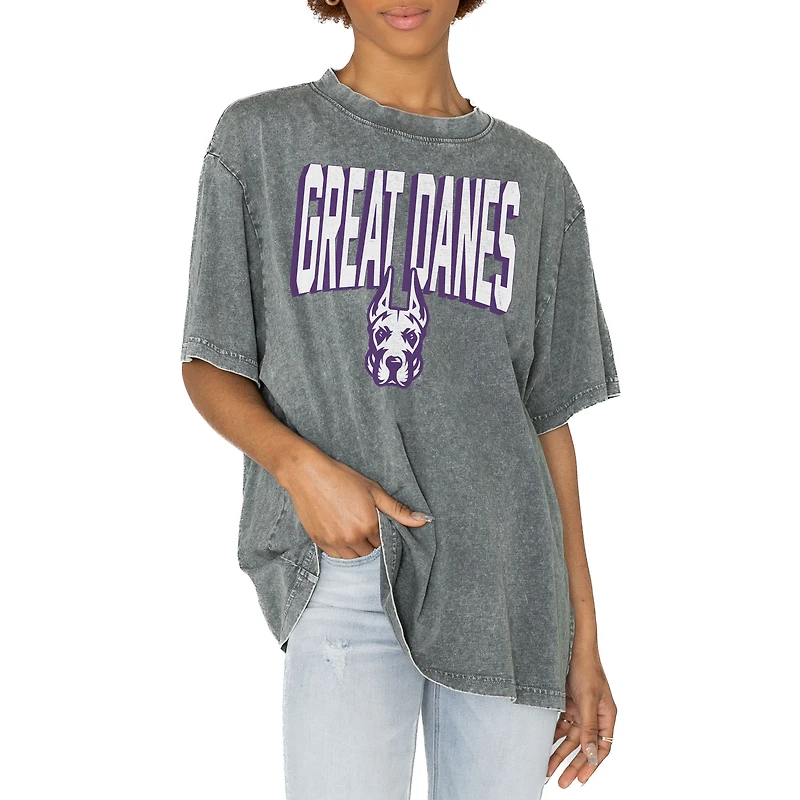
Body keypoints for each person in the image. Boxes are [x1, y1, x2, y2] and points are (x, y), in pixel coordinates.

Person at [180, 1, 621, 796]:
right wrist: (301, 470)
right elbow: (211, 361)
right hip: (347, 566)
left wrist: (583, 640)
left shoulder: (534, 177)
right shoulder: (261, 140)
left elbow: (545, 420)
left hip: (509, 592)